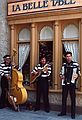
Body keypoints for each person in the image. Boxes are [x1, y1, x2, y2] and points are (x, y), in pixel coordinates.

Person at [58, 51, 81, 119]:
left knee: (73, 99)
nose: (68, 58)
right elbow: (60, 73)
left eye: (69, 56)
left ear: (71, 57)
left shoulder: (76, 64)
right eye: (67, 56)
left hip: (72, 83)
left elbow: (79, 73)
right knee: (64, 98)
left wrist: (77, 75)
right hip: (65, 84)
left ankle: (73, 114)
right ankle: (63, 112)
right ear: (65, 57)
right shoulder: (64, 64)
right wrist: (61, 76)